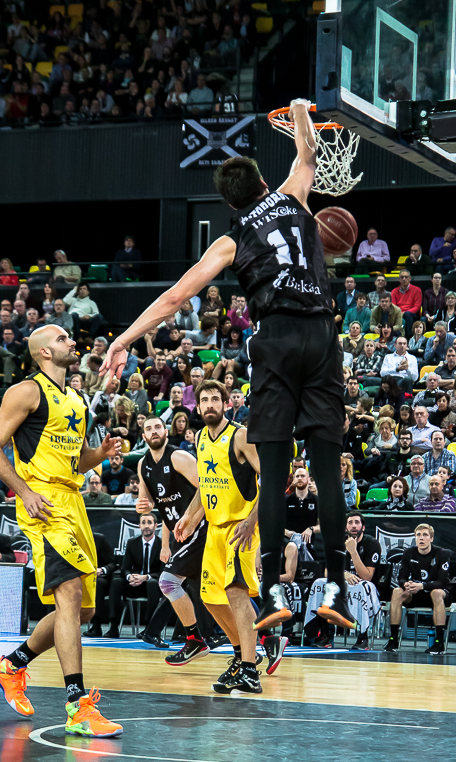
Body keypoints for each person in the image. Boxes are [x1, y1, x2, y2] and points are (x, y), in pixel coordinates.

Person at [102, 99, 356, 635]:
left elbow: (174, 298)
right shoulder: (293, 196)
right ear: (264, 181)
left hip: (276, 340)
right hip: (322, 334)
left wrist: (124, 339)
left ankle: (273, 593)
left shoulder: (230, 238)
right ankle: (336, 587)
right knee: (328, 466)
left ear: (227, 201)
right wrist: (302, 114)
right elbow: (307, 153)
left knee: (275, 461)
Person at [0, 323, 123, 737]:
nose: (71, 343)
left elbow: (77, 463)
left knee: (81, 612)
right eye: (62, 339)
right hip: (42, 502)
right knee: (69, 595)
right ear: (44, 352)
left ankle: (11, 666)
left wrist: (99, 454)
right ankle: (77, 707)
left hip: (73, 502)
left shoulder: (77, 399)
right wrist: (23, 491)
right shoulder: (26, 392)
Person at [174, 380, 265, 693]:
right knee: (211, 600)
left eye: (216, 399)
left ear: (227, 403)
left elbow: (272, 480)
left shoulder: (240, 436)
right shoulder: (199, 437)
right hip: (214, 529)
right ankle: (241, 657)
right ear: (197, 407)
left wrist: (253, 520)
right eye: (205, 400)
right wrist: (189, 516)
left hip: (241, 527)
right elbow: (206, 487)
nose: (210, 404)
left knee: (237, 593)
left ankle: (251, 669)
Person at [134, 415, 217, 662]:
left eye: (158, 426)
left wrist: (192, 518)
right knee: (215, 593)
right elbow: (148, 503)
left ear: (166, 431)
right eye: (149, 428)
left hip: (200, 528)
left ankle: (194, 640)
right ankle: (263, 639)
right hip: (180, 534)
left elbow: (209, 486)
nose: (154, 431)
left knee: (168, 582)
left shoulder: (179, 457)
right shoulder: (142, 465)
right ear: (144, 436)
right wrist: (142, 506)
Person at [304, 512, 381, 650]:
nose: (354, 526)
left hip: (366, 586)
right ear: (345, 527)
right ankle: (324, 634)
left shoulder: (372, 544)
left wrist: (353, 552)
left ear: (363, 527)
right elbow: (327, 572)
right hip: (342, 582)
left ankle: (363, 637)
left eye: (357, 522)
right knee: (319, 584)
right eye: (350, 522)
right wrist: (344, 574)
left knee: (360, 587)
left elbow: (367, 576)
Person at [384, 524, 451, 654]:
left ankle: (439, 643)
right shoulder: (409, 553)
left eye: (425, 535)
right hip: (416, 594)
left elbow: (443, 582)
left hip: (437, 595)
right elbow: (401, 578)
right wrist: (407, 585)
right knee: (397, 591)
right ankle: (393, 639)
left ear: (431, 538)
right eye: (418, 535)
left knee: (436, 593)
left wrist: (422, 585)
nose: (421, 538)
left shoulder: (442, 553)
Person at [104, 513, 164, 638]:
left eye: (149, 522)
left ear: (156, 526)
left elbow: (163, 572)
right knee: (116, 582)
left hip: (152, 585)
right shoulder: (132, 543)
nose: (146, 526)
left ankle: (150, 629)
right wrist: (130, 577)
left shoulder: (162, 545)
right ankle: (113, 627)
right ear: (139, 526)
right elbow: (124, 568)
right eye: (143, 522)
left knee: (152, 584)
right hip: (134, 584)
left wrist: (145, 577)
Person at [82, 533, 117, 638]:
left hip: (99, 578)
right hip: (78, 578)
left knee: (98, 584)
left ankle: (96, 626)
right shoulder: (69, 539)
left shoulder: (99, 539)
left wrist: (102, 570)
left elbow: (113, 563)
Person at [390, 270, 422, 337]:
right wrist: (399, 313)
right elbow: (393, 306)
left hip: (412, 315)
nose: (404, 279)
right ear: (399, 279)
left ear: (410, 278)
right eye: (402, 277)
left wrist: (404, 313)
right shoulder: (394, 291)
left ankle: (408, 337)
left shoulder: (417, 290)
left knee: (407, 315)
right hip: (398, 313)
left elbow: (417, 306)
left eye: (406, 277)